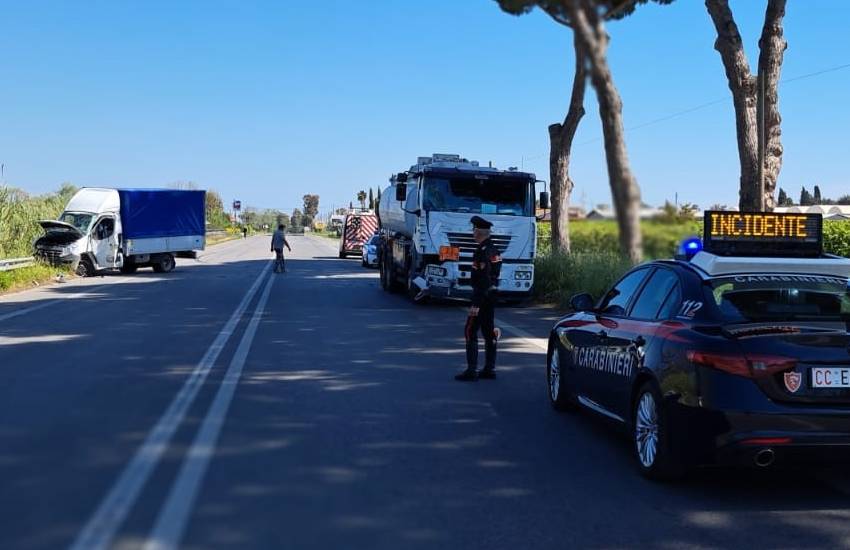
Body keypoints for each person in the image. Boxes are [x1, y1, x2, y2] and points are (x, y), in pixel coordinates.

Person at [456, 215, 502, 381]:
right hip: (491, 296)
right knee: (488, 331)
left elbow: (483, 277)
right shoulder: (494, 249)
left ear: (479, 232)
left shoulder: (482, 251)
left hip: (481, 296)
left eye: (473, 230)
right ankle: (489, 369)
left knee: (470, 330)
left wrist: (476, 302)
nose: (472, 233)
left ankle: (471, 370)